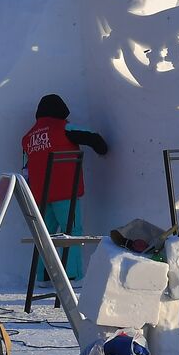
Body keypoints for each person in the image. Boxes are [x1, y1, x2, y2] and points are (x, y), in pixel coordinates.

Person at [21, 94, 108, 281]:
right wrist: (103, 150)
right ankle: (72, 277)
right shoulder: (64, 128)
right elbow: (95, 139)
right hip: (65, 192)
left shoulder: (28, 137)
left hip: (40, 195)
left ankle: (44, 277)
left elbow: (25, 167)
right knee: (71, 233)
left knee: (45, 235)